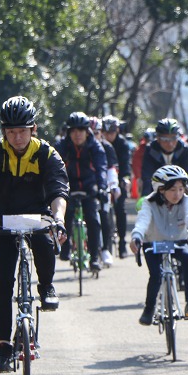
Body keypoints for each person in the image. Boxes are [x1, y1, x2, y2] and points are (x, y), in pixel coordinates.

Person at [0, 95, 70, 373]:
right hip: (2, 217)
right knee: (2, 281)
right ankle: (3, 345)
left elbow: (58, 189)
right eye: (11, 132)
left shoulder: (47, 154)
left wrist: (58, 220)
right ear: (4, 132)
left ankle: (46, 286)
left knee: (44, 241)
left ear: (34, 129)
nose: (17, 137)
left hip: (36, 214)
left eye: (23, 131)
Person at [131, 165, 188, 325]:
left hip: (178, 241)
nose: (177, 194)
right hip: (153, 242)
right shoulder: (149, 202)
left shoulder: (187, 200)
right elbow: (142, 222)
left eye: (180, 189)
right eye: (172, 190)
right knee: (155, 275)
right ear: (161, 189)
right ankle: (149, 309)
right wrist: (136, 237)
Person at [54, 111, 108, 271]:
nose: (78, 135)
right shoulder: (61, 146)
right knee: (66, 213)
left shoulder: (95, 146)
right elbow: (53, 168)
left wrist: (103, 188)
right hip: (68, 186)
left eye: (81, 131)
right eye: (74, 131)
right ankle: (65, 247)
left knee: (93, 219)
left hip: (89, 186)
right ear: (69, 132)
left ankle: (94, 257)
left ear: (87, 131)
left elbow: (101, 168)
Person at [90, 116, 119, 267]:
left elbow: (111, 168)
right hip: (85, 187)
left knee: (104, 214)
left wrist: (113, 185)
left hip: (102, 185)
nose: (93, 136)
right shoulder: (81, 146)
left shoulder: (107, 147)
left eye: (96, 132)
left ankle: (106, 249)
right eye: (90, 132)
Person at [141, 118, 188, 196]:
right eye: (165, 139)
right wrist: (145, 197)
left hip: (179, 188)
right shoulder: (151, 150)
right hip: (158, 187)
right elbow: (147, 176)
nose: (170, 143)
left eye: (173, 138)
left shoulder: (185, 150)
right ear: (158, 138)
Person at [102, 115, 132, 259]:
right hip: (103, 178)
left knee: (120, 209)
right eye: (106, 132)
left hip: (118, 179)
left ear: (117, 131)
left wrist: (125, 179)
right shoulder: (99, 143)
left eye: (112, 132)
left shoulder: (123, 144)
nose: (109, 136)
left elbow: (126, 164)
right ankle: (105, 243)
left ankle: (122, 243)